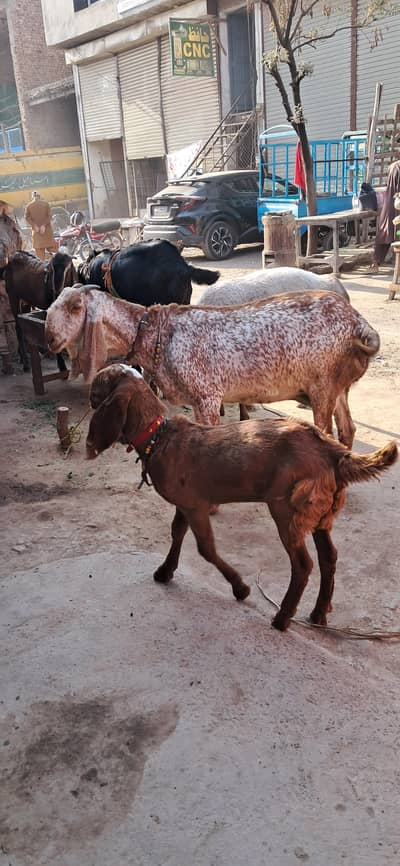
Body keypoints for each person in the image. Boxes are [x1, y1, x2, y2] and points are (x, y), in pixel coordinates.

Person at [369, 159, 400, 273]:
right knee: (388, 231)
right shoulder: (396, 167)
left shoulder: (394, 166)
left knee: (386, 231)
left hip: (391, 203)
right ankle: (375, 262)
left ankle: (376, 262)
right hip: (394, 203)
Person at [24, 191, 57, 260]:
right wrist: (44, 225)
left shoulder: (29, 206)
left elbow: (27, 218)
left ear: (32, 197)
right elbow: (49, 216)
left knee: (40, 257)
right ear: (40, 196)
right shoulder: (46, 204)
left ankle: (43, 269)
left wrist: (34, 225)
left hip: (36, 233)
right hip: (47, 232)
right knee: (53, 252)